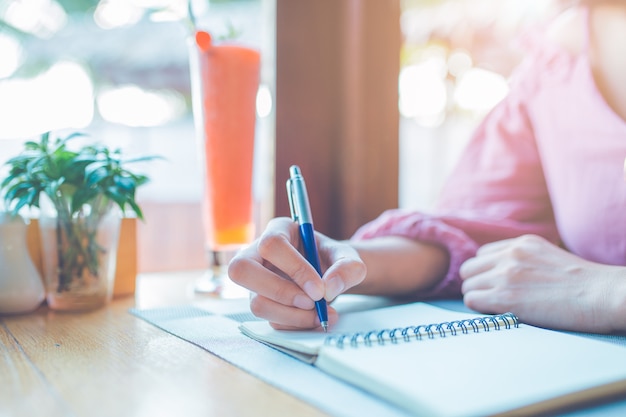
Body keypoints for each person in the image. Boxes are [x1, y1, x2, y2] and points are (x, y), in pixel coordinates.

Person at [229, 1, 626, 334]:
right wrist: (340, 264)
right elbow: (477, 232)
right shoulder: (560, 57)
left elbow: (572, 284)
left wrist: (602, 290)